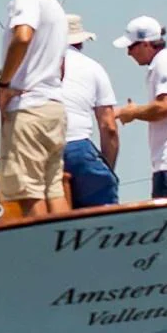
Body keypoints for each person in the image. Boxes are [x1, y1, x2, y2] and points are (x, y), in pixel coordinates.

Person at [0, 0, 71, 218]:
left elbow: (23, 36)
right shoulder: (51, 3)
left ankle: (46, 256)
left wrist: (4, 83)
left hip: (28, 108)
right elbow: (61, 65)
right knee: (53, 189)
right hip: (53, 106)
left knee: (29, 193)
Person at [110, 16, 167, 197]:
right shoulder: (164, 63)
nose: (129, 53)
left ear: (145, 44)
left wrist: (131, 112)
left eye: (131, 47)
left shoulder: (165, 64)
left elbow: (163, 107)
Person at [55, 18, 122, 209]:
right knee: (101, 212)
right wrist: (107, 169)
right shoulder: (93, 68)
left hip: (41, 148)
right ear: (81, 41)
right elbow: (109, 127)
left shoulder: (34, 65)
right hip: (77, 147)